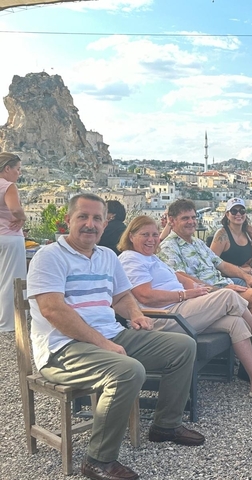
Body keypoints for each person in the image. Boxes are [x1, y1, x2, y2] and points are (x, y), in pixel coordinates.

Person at [27, 193, 204, 480]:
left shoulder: (107, 256)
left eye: (97, 218)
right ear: (67, 220)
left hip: (111, 336)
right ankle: (98, 460)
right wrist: (104, 344)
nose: (90, 224)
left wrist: (135, 314)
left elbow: (122, 295)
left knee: (183, 346)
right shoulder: (50, 257)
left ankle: (165, 426)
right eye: (82, 217)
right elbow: (53, 310)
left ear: (105, 222)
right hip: (63, 349)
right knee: (128, 370)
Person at [118, 216, 252, 397]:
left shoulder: (152, 258)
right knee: (228, 295)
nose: (151, 239)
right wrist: (185, 295)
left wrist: (200, 289)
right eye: (145, 234)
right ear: (131, 236)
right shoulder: (131, 259)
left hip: (181, 309)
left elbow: (181, 279)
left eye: (155, 235)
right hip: (163, 317)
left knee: (235, 322)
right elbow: (145, 296)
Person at [158, 199, 252, 333]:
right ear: (172, 221)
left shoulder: (197, 243)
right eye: (185, 218)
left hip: (224, 284)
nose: (191, 222)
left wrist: (248, 278)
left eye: (193, 217)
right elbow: (181, 277)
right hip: (207, 294)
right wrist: (218, 289)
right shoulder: (169, 246)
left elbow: (222, 264)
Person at [0, 152, 27, 332]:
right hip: (10, 236)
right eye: (17, 169)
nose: (19, 173)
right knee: (12, 280)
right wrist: (23, 217)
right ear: (7, 168)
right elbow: (15, 209)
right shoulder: (8, 186)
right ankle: (8, 323)